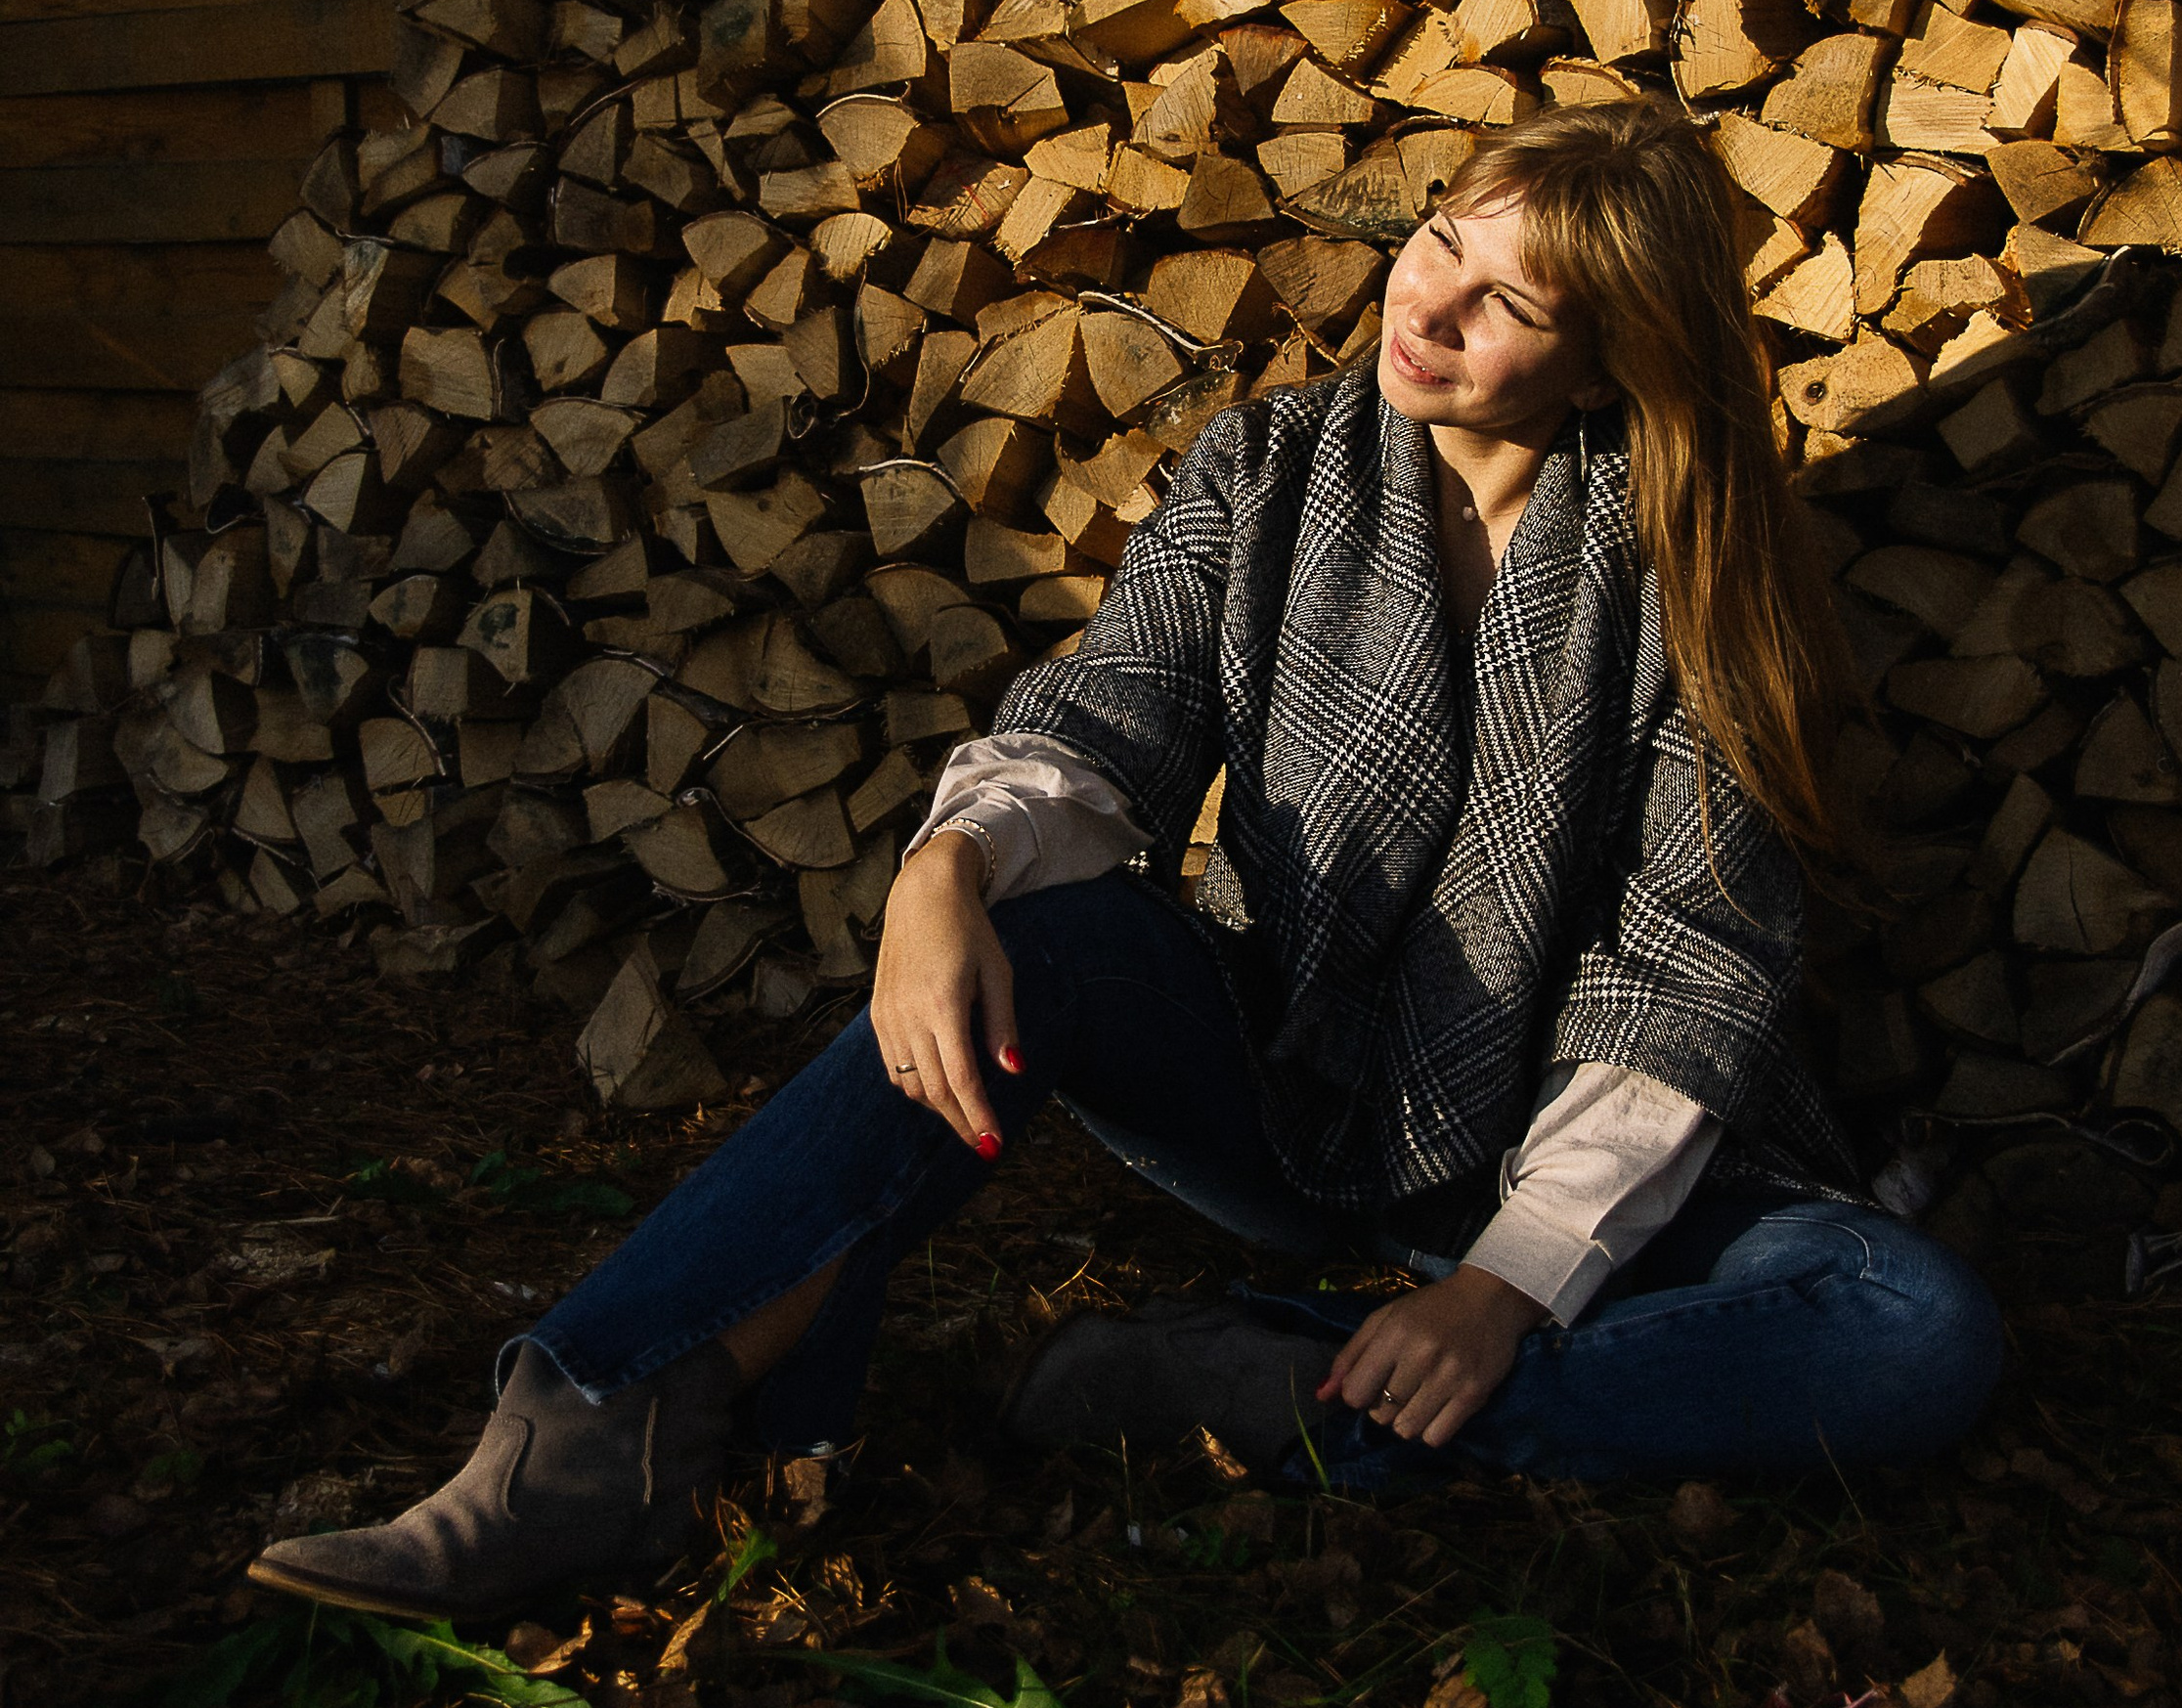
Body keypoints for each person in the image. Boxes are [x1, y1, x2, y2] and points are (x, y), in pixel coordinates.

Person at [250, 104, 2002, 1622]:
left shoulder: (1702, 564)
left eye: (1509, 304)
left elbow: (1687, 954)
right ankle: (593, 1419)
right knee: (1050, 931)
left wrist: (1507, 1282)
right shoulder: (1273, 468)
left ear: (1610, 361)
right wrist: (944, 872)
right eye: (1439, 243)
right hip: (1307, 1100)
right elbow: (1108, 723)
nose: (1427, 308)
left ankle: (1251, 1385)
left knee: (1912, 1325)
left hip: (1601, 1164)